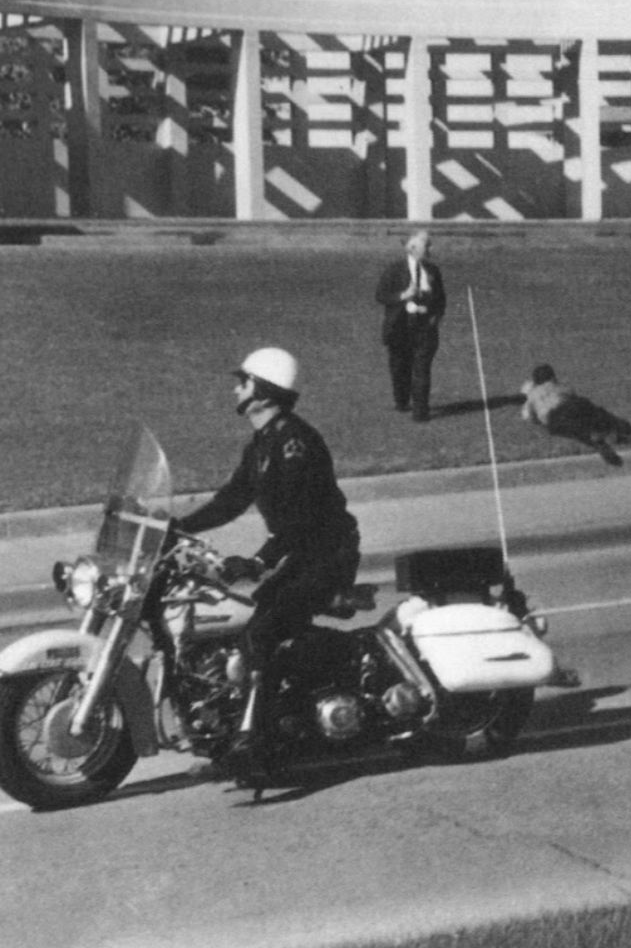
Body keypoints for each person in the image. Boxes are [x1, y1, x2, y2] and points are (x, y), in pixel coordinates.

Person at [175, 347, 360, 767]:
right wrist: (179, 527)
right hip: (304, 554)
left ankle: (258, 740)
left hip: (329, 554)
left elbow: (301, 520)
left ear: (263, 390)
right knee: (248, 619)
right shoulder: (262, 442)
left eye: (242, 381)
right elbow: (232, 499)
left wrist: (258, 561)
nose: (235, 387)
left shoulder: (296, 444)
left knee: (263, 631)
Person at [374, 230, 445, 422]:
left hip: (424, 329)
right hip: (400, 328)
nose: (431, 249)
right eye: (427, 245)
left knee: (421, 370)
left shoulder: (433, 270)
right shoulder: (394, 269)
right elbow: (380, 295)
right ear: (413, 249)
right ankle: (402, 401)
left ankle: (420, 412)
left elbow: (441, 299)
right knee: (400, 368)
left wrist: (434, 318)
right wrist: (403, 296)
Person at [520, 363, 631, 466]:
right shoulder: (556, 386)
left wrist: (542, 420)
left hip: (553, 420)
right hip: (570, 405)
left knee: (580, 434)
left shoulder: (531, 395)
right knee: (596, 414)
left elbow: (530, 417)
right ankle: (619, 427)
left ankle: (599, 444)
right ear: (553, 377)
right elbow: (570, 394)